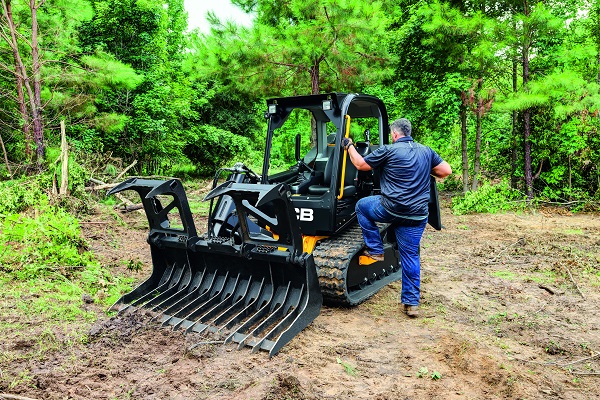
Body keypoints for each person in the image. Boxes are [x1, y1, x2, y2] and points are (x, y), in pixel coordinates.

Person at [342, 118, 452, 318]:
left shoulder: (389, 150)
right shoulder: (426, 151)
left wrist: (349, 146)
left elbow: (359, 164)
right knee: (410, 256)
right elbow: (446, 171)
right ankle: (411, 303)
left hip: (391, 209)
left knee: (362, 206)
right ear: (409, 132)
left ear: (394, 134)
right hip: (417, 214)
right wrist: (427, 168)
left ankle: (375, 249)